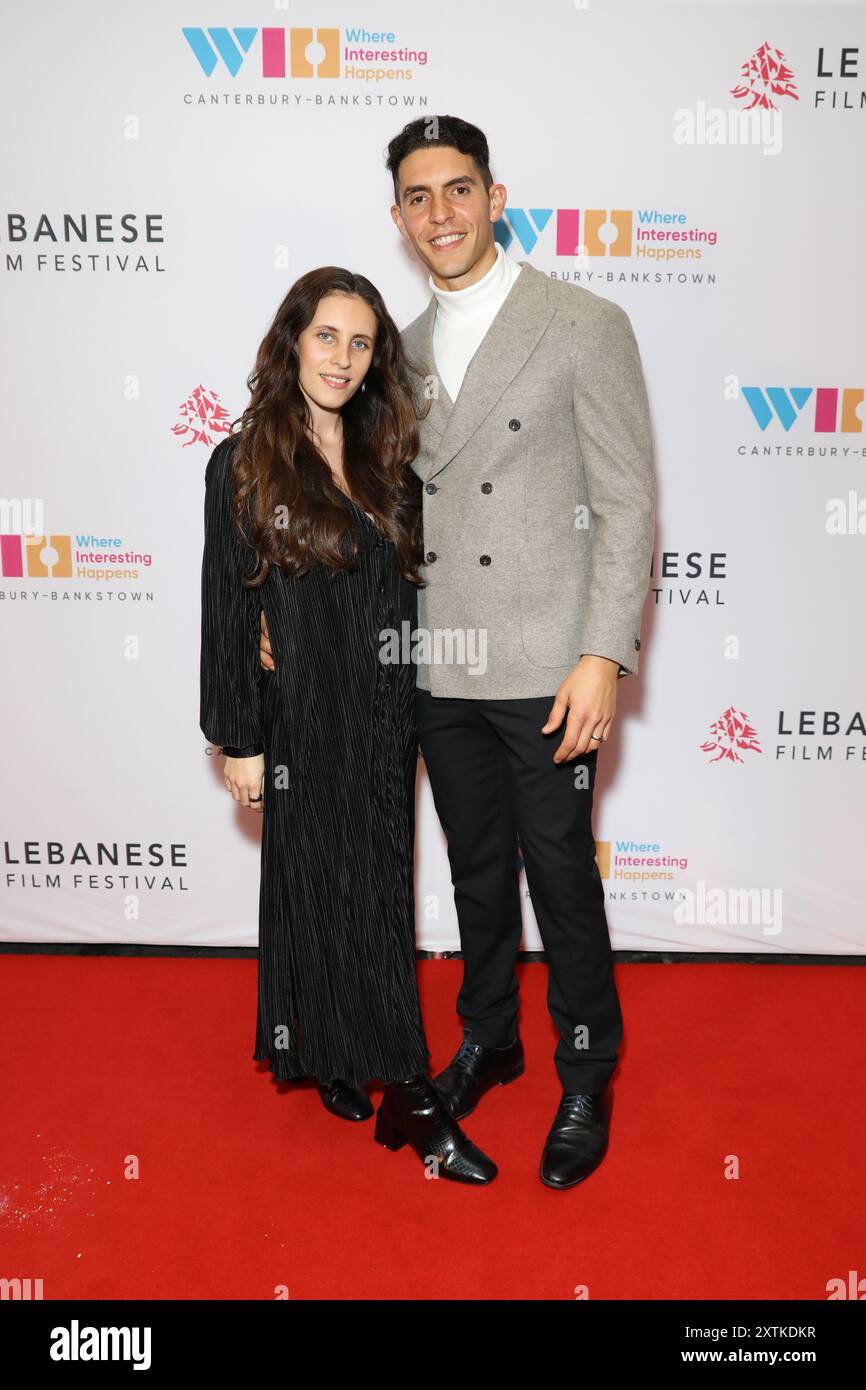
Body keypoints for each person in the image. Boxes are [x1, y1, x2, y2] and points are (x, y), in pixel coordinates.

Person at [260, 116, 656, 1190]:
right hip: (435, 662)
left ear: (495, 196)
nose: (439, 212)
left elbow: (624, 506)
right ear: (397, 218)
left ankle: (584, 1066)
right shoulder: (397, 349)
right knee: (477, 873)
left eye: (458, 189)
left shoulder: (582, 323)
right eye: (418, 197)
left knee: (560, 874)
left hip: (544, 663)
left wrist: (600, 655)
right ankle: (492, 1033)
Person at [199, 265, 497, 1185]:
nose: (342, 357)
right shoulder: (243, 460)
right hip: (304, 717)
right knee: (317, 883)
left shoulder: (387, 456)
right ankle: (407, 1093)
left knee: (372, 885)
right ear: (293, 342)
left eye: (362, 342)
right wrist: (240, 739)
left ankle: (339, 1051)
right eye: (326, 336)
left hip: (387, 706)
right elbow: (224, 607)